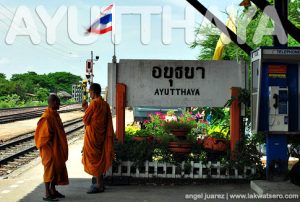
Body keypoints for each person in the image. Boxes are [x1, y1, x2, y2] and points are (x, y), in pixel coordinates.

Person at [35, 94, 69, 201]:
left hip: (56, 148)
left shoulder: (55, 115)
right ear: (54, 102)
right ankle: (47, 193)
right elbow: (44, 137)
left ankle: (53, 190)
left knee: (56, 169)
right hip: (49, 149)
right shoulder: (47, 117)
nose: (60, 104)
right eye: (58, 102)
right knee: (49, 170)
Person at [82, 83, 114, 194]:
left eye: (90, 92)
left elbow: (86, 120)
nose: (89, 94)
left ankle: (99, 185)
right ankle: (100, 183)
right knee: (99, 158)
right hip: (101, 136)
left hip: (93, 137)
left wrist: (85, 109)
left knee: (94, 160)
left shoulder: (94, 104)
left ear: (93, 92)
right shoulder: (105, 105)